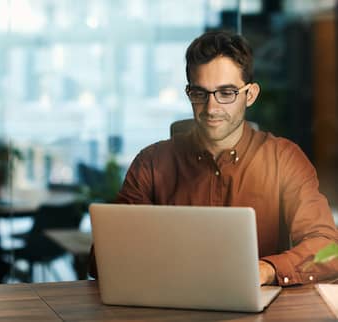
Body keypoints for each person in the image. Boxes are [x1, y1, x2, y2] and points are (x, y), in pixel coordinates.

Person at [88, 30, 338, 286]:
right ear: (189, 93)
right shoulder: (152, 164)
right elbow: (103, 258)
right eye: (200, 93)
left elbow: (327, 249)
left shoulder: (284, 160)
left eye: (226, 93)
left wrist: (267, 269)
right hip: (169, 303)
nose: (211, 108)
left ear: (250, 95)